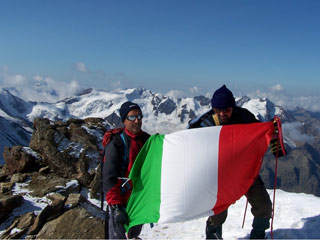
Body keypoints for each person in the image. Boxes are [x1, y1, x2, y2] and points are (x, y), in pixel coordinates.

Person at [188, 85, 273, 239]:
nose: (222, 113)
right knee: (218, 213)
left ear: (232, 106)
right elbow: (189, 140)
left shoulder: (244, 116)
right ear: (213, 108)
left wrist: (271, 129)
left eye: (226, 109)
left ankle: (258, 235)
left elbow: (258, 131)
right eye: (217, 109)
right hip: (220, 176)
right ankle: (213, 235)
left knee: (264, 206)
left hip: (245, 171)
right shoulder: (206, 122)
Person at [102, 101, 150, 239]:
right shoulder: (116, 143)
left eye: (139, 117)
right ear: (124, 120)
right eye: (132, 117)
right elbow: (109, 178)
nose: (137, 121)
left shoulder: (147, 140)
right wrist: (116, 207)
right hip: (119, 201)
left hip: (137, 200)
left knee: (133, 235)